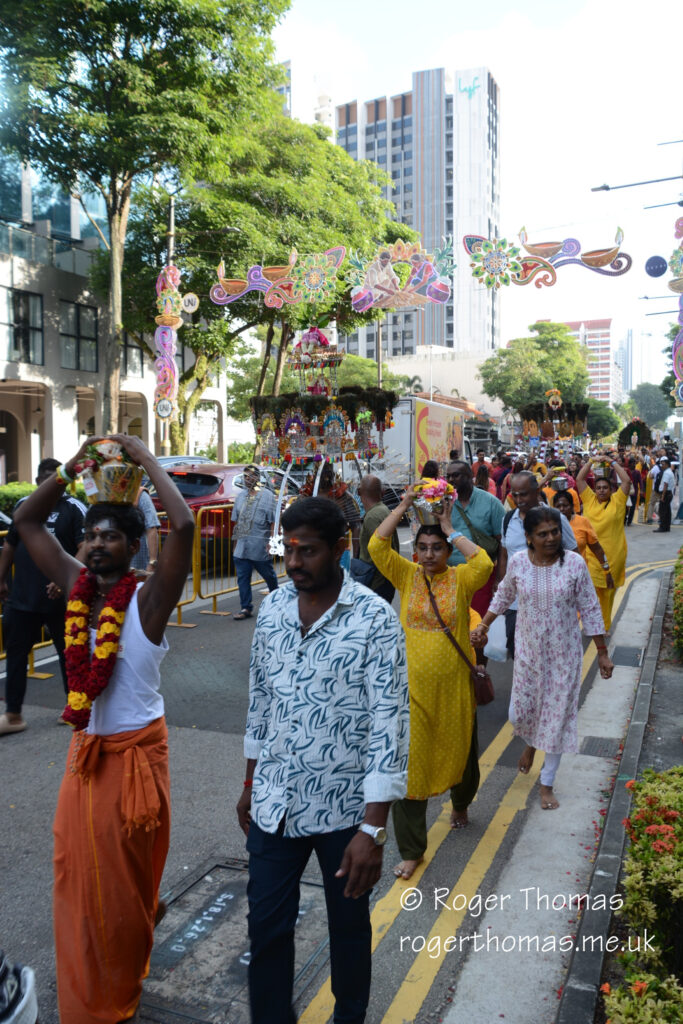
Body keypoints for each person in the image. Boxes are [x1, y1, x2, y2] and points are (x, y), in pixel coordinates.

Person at [13, 434, 195, 1024]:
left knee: (120, 887)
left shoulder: (147, 600)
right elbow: (27, 520)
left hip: (135, 756)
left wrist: (144, 458)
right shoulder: (75, 587)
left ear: (135, 545)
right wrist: (73, 467)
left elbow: (186, 528)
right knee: (74, 872)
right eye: (90, 535)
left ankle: (121, 983)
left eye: (110, 535)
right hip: (84, 753)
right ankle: (92, 993)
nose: (95, 544)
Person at [237, 497, 408, 1024]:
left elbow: (390, 726)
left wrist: (373, 831)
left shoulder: (375, 619)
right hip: (274, 801)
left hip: (345, 814)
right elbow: (261, 699)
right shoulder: (272, 608)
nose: (293, 563)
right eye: (287, 550)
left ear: (340, 549)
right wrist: (250, 782)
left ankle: (349, 1017)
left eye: (307, 551)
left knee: (349, 929)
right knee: (266, 927)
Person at [368, 488, 493, 875]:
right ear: (414, 551)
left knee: (461, 752)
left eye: (436, 548)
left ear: (446, 551)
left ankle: (460, 803)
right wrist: (404, 506)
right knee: (412, 767)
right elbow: (376, 545)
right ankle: (411, 848)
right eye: (422, 548)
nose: (428, 554)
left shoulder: (460, 580)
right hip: (413, 691)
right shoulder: (407, 577)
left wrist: (449, 527)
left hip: (454, 687)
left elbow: (485, 562)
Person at [471, 507, 613, 810]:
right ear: (529, 538)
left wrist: (602, 653)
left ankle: (546, 783)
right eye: (543, 534)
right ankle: (532, 744)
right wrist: (483, 624)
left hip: (565, 655)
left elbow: (589, 607)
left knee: (557, 716)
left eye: (555, 532)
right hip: (528, 654)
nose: (550, 538)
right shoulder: (520, 562)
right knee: (519, 713)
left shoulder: (574, 564)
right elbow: (504, 595)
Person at [0, 458, 86, 735]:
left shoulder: (74, 508)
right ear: (39, 483)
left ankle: (73, 706)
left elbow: (83, 548)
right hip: (22, 597)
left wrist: (65, 580)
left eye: (58, 480)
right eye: (47, 481)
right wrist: (1, 578)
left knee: (68, 653)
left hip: (60, 600)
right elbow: (10, 544)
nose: (53, 486)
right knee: (16, 654)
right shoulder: (24, 507)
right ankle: (13, 714)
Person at [497, 471, 577, 657]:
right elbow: (503, 553)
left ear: (536, 491)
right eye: (514, 494)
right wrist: (500, 583)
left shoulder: (557, 519)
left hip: (550, 603)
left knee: (548, 654)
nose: (518, 499)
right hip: (516, 603)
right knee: (519, 653)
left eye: (523, 493)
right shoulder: (508, 519)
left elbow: (574, 557)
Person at [575, 456, 630, 631]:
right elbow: (579, 479)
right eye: (598, 487)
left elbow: (626, 480)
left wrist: (610, 461)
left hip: (613, 556)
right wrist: (591, 461)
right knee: (589, 593)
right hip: (591, 557)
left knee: (607, 594)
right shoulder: (589, 499)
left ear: (610, 489)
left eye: (605, 487)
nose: (601, 490)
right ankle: (590, 624)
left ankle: (604, 626)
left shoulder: (618, 500)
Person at [445, 460, 503, 617]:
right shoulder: (444, 503)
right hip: (451, 576)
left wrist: (499, 579)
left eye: (456, 475)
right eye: (448, 476)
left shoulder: (491, 503)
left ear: (471, 476)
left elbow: (503, 544)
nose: (450, 480)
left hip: (482, 578)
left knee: (476, 625)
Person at [231, 463, 278, 620]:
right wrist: (234, 546)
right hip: (242, 547)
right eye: (245, 476)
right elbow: (236, 522)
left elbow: (273, 521)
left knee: (269, 576)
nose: (247, 479)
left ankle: (277, 600)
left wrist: (272, 542)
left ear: (257, 478)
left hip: (259, 546)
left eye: (250, 476)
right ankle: (246, 608)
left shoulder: (267, 496)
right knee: (243, 578)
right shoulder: (240, 497)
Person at [552, 492, 615, 595]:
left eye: (565, 505)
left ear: (572, 506)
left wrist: (607, 571)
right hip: (556, 577)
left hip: (579, 576)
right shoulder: (548, 524)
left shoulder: (583, 522)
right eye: (558, 506)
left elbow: (597, 549)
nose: (562, 509)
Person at [350, 474, 398, 602]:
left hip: (376, 582)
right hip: (385, 580)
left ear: (359, 492)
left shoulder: (372, 517)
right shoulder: (384, 510)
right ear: (382, 492)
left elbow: (381, 552)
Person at [131, 485, 160, 571]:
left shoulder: (140, 494)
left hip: (137, 566)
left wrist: (152, 562)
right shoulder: (105, 496)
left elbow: (151, 527)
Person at [654, 456, 675, 533]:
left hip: (666, 494)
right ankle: (667, 527)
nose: (661, 466)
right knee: (667, 511)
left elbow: (665, 485)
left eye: (663, 464)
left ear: (666, 464)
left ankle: (662, 527)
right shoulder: (670, 472)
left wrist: (662, 496)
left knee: (662, 511)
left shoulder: (666, 473)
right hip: (669, 493)